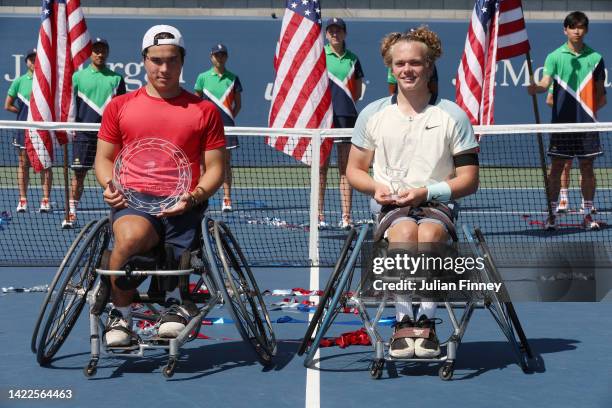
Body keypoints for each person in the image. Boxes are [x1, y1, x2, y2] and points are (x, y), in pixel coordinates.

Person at [346, 27, 479, 358]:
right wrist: (377, 188)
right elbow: (354, 170)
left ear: (430, 66)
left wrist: (426, 192)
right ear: (391, 67)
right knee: (405, 231)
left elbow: (469, 179)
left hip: (437, 206)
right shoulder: (373, 114)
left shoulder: (453, 115)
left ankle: (427, 323)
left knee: (429, 234)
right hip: (391, 209)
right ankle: (405, 322)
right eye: (400, 63)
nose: (407, 69)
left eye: (415, 63)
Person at [94, 25, 226, 347]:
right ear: (144, 60)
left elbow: (216, 169)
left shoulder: (205, 111)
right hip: (134, 198)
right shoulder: (119, 106)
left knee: (176, 257)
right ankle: (121, 316)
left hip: (185, 201)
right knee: (129, 239)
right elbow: (104, 159)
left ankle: (175, 305)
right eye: (156, 60)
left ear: (182, 61)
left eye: (171, 60)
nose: (163, 68)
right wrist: (108, 184)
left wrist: (193, 197)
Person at [527, 11, 606, 230]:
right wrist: (536, 88)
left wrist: (587, 113)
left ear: (586, 30)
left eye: (581, 27)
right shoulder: (554, 56)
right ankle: (552, 215)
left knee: (587, 167)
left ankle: (588, 214)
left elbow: (601, 95)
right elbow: (545, 83)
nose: (577, 31)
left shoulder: (596, 58)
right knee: (556, 169)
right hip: (562, 126)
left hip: (587, 125)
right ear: (565, 30)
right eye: (573, 27)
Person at [63, 37, 126, 228]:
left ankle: (119, 215)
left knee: (113, 178)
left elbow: (122, 109)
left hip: (109, 135)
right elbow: (69, 106)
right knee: (79, 175)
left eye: (102, 50)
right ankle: (72, 213)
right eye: (96, 50)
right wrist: (70, 127)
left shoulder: (116, 79)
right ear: (90, 53)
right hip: (83, 135)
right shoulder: (77, 77)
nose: (100, 53)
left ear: (107, 52)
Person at [319, 17, 364, 229]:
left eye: (339, 30)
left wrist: (344, 107)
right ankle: (318, 215)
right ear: (326, 34)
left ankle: (346, 216)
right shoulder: (318, 56)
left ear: (345, 34)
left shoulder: (353, 59)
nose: (335, 34)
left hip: (347, 119)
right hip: (323, 120)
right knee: (320, 168)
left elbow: (356, 89)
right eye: (331, 30)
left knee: (345, 169)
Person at [4, 48, 53, 214]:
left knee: (45, 164)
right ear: (27, 62)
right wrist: (23, 114)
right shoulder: (19, 81)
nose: (34, 62)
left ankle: (45, 200)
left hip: (43, 129)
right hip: (23, 129)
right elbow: (7, 105)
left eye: (37, 58)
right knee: (23, 164)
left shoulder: (47, 81)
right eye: (31, 59)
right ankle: (22, 200)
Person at [194, 43, 242, 212]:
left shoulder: (233, 78)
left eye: (222, 55)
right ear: (211, 57)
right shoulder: (202, 77)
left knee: (226, 162)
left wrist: (228, 119)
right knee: (202, 164)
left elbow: (238, 104)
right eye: (216, 55)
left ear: (226, 57)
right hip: (206, 128)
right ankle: (200, 197)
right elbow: (196, 102)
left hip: (226, 128)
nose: (219, 58)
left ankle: (227, 199)